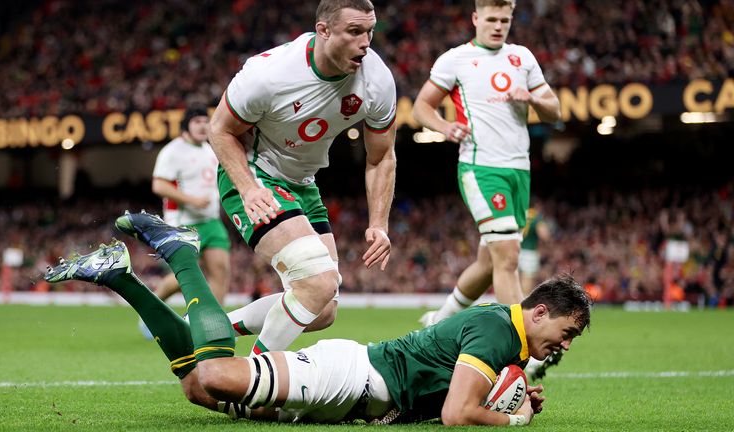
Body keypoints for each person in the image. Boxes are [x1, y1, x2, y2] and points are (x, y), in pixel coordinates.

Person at [44, 212, 591, 425]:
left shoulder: (507, 333)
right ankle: (183, 253)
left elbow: (467, 385)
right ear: (540, 311)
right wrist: (513, 420)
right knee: (212, 377)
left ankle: (119, 275)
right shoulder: (499, 329)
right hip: (350, 378)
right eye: (564, 333)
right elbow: (455, 414)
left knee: (197, 388)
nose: (562, 347)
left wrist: (510, 389)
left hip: (353, 397)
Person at [208, 0, 397, 355]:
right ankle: (255, 378)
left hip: (303, 183)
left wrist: (379, 223)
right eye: (354, 31)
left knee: (323, 309)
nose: (366, 43)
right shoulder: (269, 74)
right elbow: (219, 130)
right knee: (319, 282)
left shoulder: (377, 80)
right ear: (323, 31)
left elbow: (382, 156)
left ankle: (210, 329)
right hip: (256, 176)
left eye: (370, 32)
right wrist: (248, 189)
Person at [414, 0, 561, 327]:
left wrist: (533, 99)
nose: (498, 26)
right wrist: (444, 127)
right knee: (508, 257)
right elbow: (421, 107)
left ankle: (438, 323)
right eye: (491, 19)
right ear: (475, 18)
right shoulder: (455, 60)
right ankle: (520, 347)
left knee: (487, 264)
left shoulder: (522, 57)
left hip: (519, 170)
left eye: (504, 20)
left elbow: (555, 110)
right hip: (480, 168)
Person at [136, 106, 233, 339]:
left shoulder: (210, 150)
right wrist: (191, 200)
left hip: (211, 221)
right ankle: (151, 309)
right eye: (197, 121)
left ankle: (213, 326)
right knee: (186, 276)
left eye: (205, 121)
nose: (202, 125)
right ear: (186, 125)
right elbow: (159, 186)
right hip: (183, 223)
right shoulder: (173, 151)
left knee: (220, 269)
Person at [519, 204, 553, 296]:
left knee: (517, 277)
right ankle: (523, 300)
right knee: (528, 277)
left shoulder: (520, 214)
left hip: (516, 248)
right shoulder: (536, 218)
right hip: (529, 251)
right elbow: (544, 235)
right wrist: (549, 243)